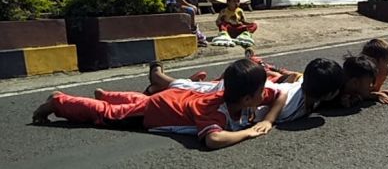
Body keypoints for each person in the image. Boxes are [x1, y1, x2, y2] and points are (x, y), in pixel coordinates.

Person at [32, 59, 288, 150]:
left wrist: (268, 120)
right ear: (245, 99)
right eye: (259, 92)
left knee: (139, 101)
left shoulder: (245, 95)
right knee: (109, 116)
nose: (263, 93)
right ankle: (59, 101)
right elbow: (214, 140)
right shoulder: (215, 111)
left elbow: (280, 96)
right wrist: (248, 131)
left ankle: (108, 93)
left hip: (174, 99)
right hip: (159, 110)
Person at [102, 57, 345, 128]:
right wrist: (268, 120)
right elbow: (279, 94)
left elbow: (294, 79)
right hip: (243, 93)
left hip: (254, 91)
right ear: (328, 93)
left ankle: (156, 87)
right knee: (188, 90)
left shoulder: (309, 92)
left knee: (189, 89)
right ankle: (158, 77)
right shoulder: (292, 104)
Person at [360, 38, 388, 105]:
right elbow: (357, 93)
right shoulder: (360, 78)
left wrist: (380, 91)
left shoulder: (375, 77)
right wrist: (374, 95)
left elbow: (373, 89)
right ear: (374, 63)